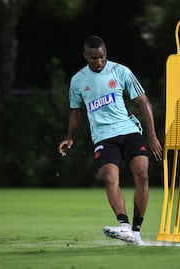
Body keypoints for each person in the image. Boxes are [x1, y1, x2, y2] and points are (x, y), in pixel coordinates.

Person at [58, 35, 162, 245]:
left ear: (106, 53)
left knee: (142, 173)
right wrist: (70, 137)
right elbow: (76, 112)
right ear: (85, 56)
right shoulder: (78, 80)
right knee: (109, 177)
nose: (99, 62)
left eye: (102, 57)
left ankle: (136, 231)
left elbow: (143, 102)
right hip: (103, 137)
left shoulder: (120, 71)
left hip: (129, 130)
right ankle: (123, 226)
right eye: (94, 58)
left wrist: (151, 136)